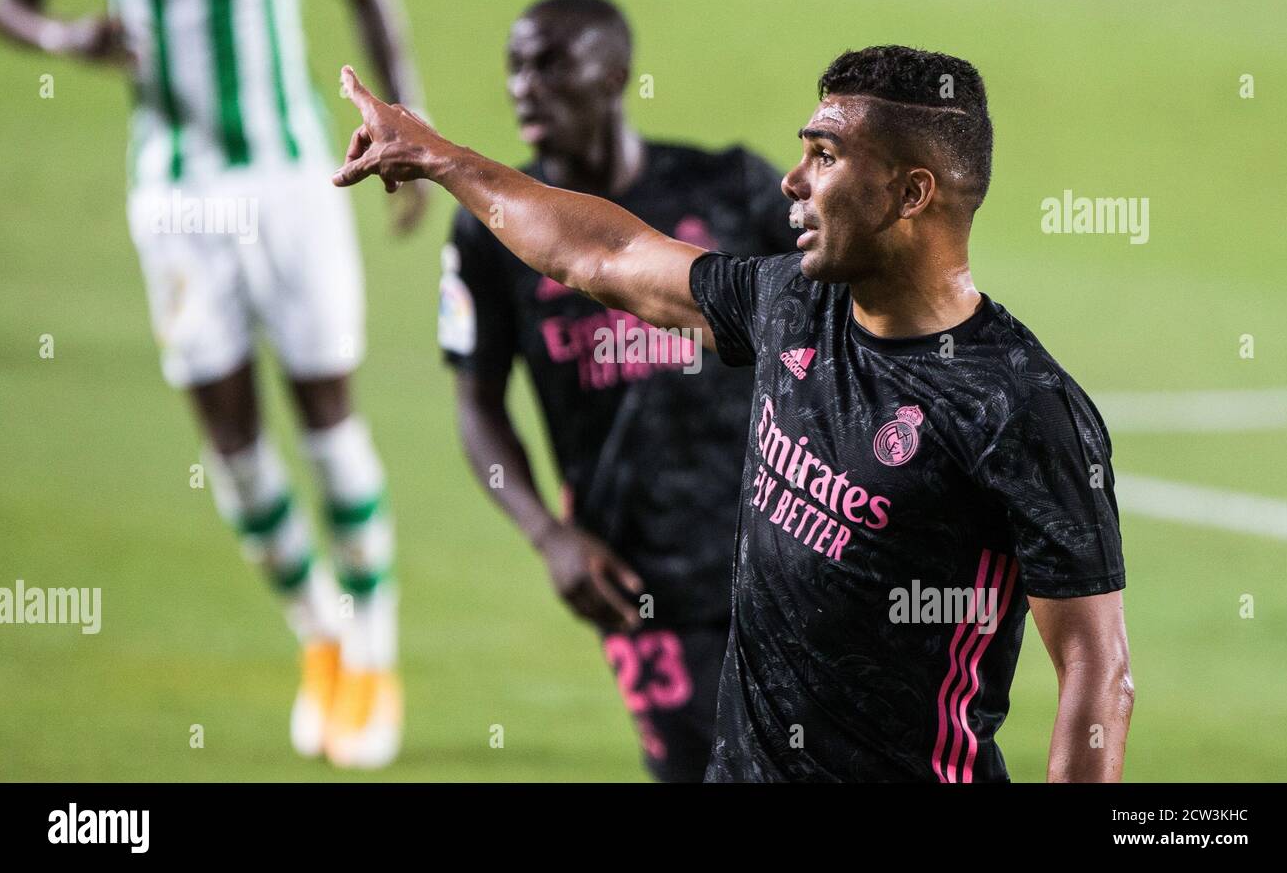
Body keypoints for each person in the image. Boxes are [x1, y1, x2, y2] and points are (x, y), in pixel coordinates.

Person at [333, 43, 1134, 782]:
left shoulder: (1021, 408)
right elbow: (602, 256)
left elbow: (1098, 673)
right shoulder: (791, 303)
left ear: (909, 192)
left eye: (824, 156)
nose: (793, 180)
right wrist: (441, 157)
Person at [0, 0, 431, 769]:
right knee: (231, 446)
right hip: (176, 201)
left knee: (328, 418)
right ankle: (319, 631)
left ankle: (373, 649)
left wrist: (406, 127)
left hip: (296, 182)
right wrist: (64, 36)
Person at [439, 0, 792, 781]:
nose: (527, 85)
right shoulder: (491, 229)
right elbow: (476, 401)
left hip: (781, 543)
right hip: (637, 577)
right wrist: (547, 534)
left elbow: (841, 317)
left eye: (552, 64)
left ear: (617, 73)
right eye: (516, 66)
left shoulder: (730, 188)